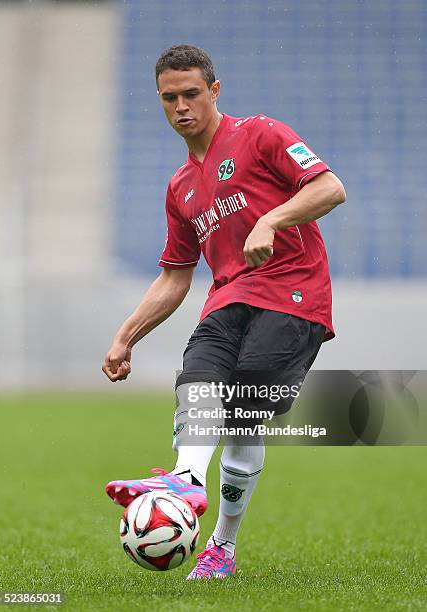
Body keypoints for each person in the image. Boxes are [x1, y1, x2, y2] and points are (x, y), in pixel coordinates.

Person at [102, 44, 346, 580]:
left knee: (240, 413)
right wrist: (126, 335)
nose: (182, 106)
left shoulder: (261, 133)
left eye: (192, 93)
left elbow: (330, 187)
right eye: (170, 98)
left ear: (214, 91)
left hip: (293, 293)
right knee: (199, 381)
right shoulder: (180, 186)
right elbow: (175, 274)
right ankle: (186, 481)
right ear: (160, 101)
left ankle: (221, 545)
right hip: (229, 297)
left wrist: (271, 221)